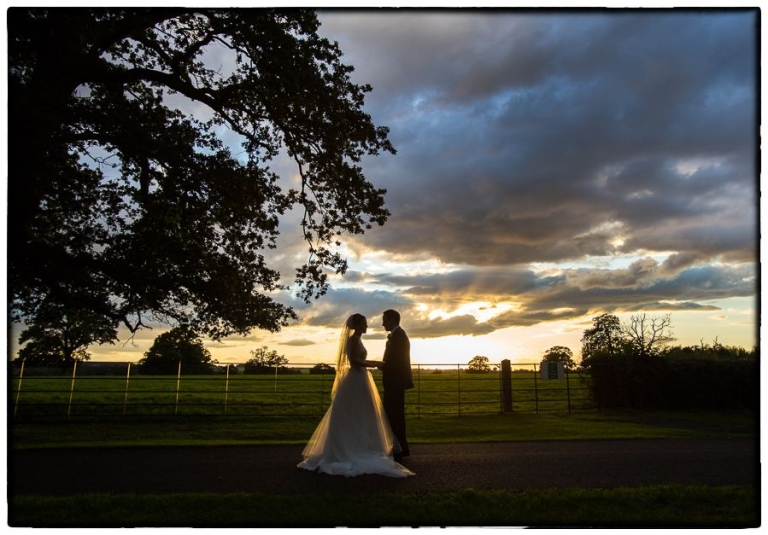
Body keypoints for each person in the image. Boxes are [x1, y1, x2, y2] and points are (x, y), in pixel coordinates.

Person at [297, 314, 414, 478]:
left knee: (364, 413)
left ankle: (360, 445)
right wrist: (374, 363)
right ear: (357, 325)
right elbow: (354, 361)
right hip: (356, 379)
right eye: (364, 324)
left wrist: (375, 364)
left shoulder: (358, 339)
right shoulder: (353, 340)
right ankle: (350, 448)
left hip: (361, 379)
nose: (368, 326)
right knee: (354, 412)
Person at [379, 309, 414, 461]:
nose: (382, 324)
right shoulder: (397, 335)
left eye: (385, 320)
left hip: (396, 382)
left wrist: (381, 365)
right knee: (391, 415)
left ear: (392, 320)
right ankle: (396, 447)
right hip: (393, 382)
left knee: (396, 415)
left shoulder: (399, 336)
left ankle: (400, 449)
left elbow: (397, 362)